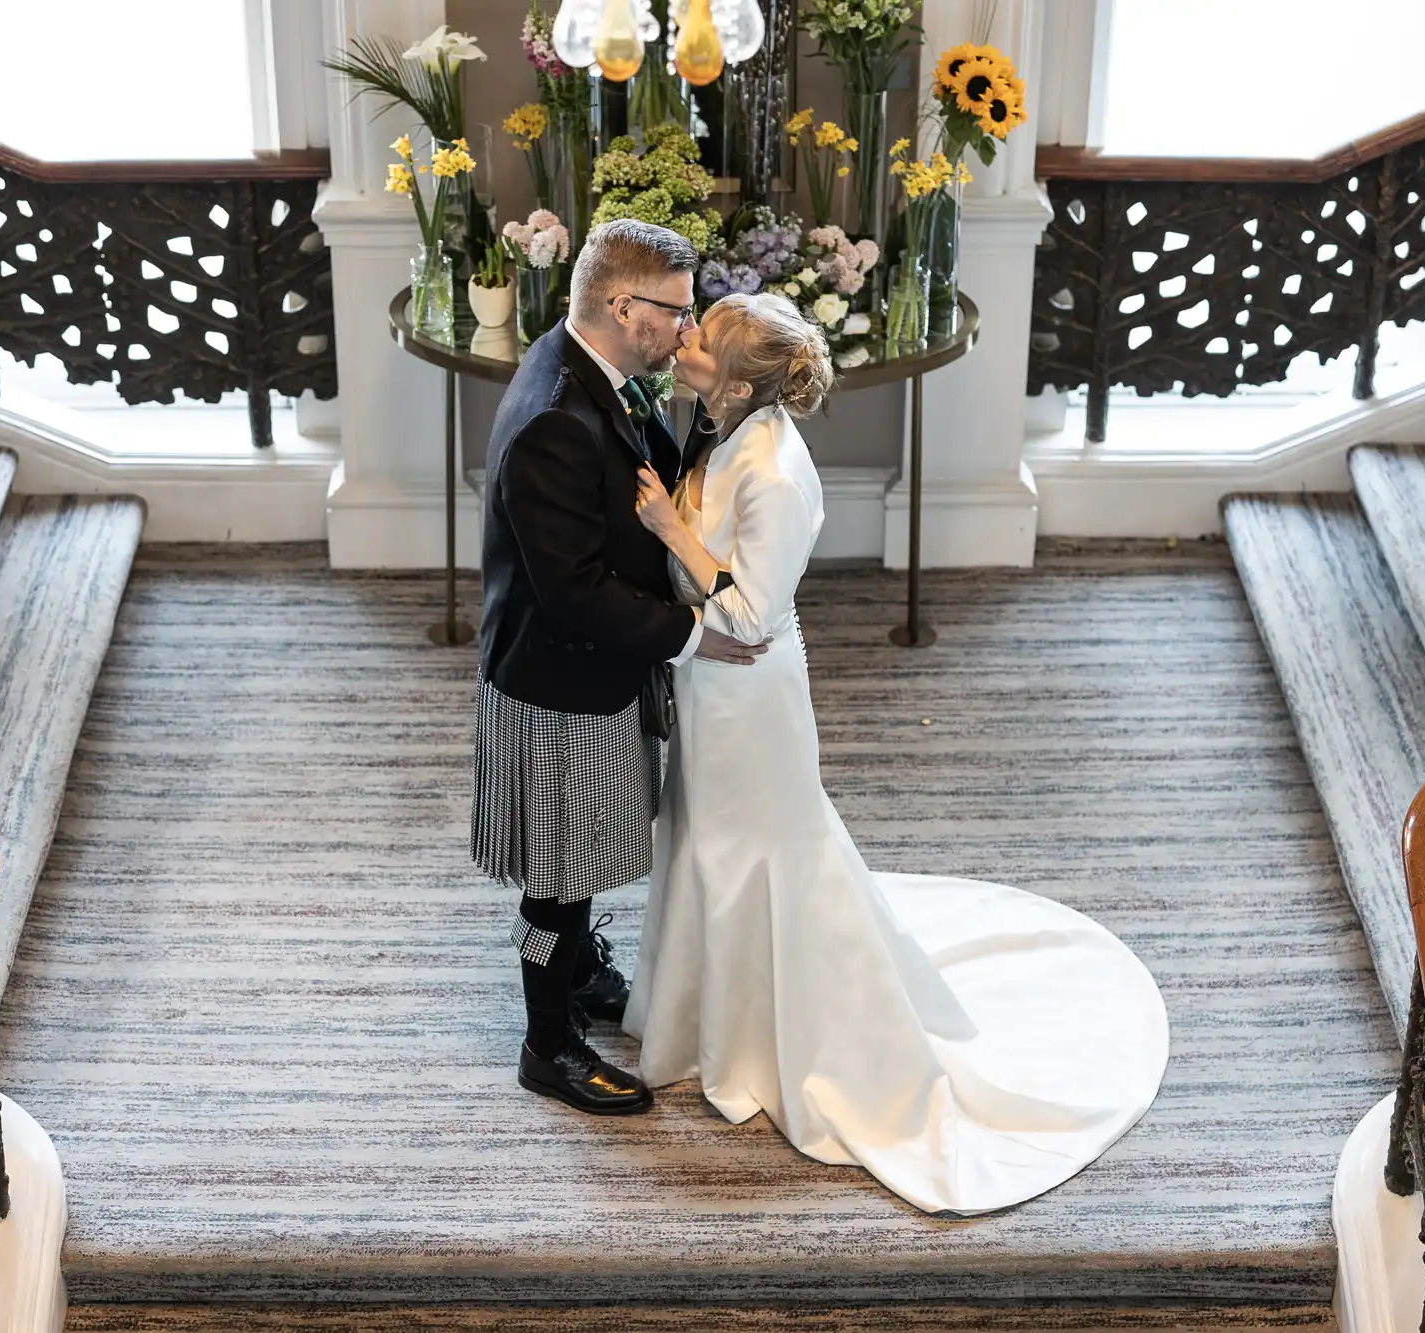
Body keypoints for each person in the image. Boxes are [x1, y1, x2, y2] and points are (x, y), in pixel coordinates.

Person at [624, 292, 1171, 1214]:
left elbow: (753, 618)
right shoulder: (714, 431)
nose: (683, 340)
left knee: (755, 855)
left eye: (701, 338)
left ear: (744, 380)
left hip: (749, 702)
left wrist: (672, 532)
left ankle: (771, 1043)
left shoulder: (777, 474)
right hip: (704, 688)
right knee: (705, 846)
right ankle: (702, 1021)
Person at [473, 219, 768, 1117]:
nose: (686, 331)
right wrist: (693, 631)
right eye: (675, 313)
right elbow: (571, 593)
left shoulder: (604, 374)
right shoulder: (554, 422)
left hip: (597, 667)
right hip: (556, 679)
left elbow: (649, 480)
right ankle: (546, 1042)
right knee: (554, 882)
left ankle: (582, 973)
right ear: (618, 304)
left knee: (584, 854)